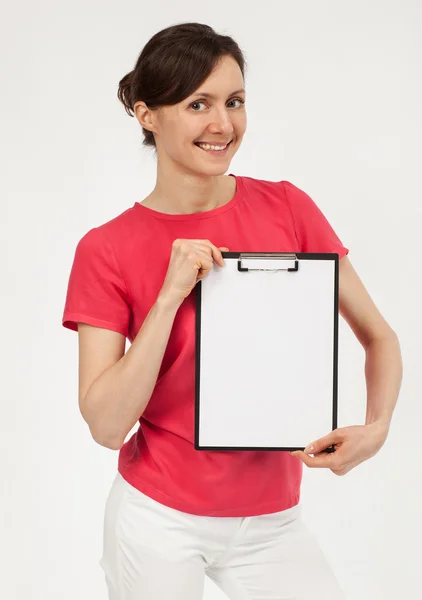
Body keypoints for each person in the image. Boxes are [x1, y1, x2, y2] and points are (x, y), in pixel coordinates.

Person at [62, 21, 402, 600]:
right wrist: (169, 296)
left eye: (234, 102)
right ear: (147, 114)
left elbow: (380, 337)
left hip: (273, 519)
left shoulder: (288, 208)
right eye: (198, 104)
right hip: (159, 518)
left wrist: (377, 429)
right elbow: (106, 425)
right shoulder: (107, 247)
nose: (223, 125)